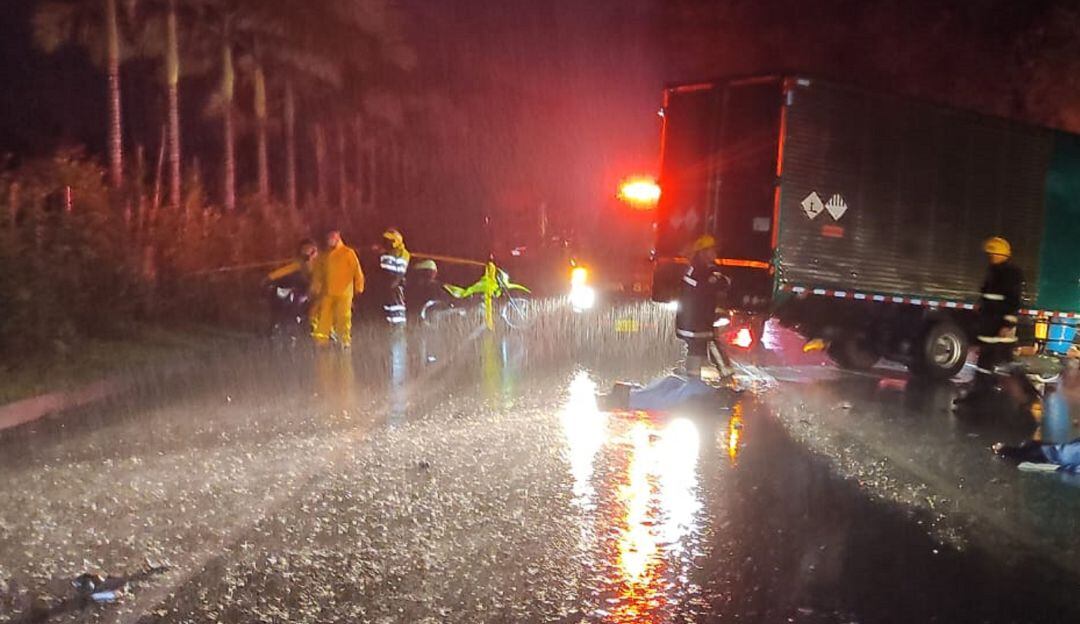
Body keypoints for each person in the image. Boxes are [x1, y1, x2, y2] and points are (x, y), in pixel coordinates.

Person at [966, 236, 1025, 398]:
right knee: (986, 361)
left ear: (1004, 255)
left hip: (1000, 328)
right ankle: (981, 390)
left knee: (1004, 362)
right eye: (989, 255)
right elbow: (988, 294)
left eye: (994, 254)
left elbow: (1013, 301)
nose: (991, 258)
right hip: (989, 325)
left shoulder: (1012, 274)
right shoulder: (992, 271)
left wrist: (1007, 324)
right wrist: (980, 304)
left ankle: (1016, 395)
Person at [676, 235, 730, 378]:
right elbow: (712, 286)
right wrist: (717, 280)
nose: (715, 253)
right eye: (712, 250)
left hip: (696, 320)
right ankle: (727, 377)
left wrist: (717, 279)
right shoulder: (698, 271)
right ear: (703, 252)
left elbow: (722, 283)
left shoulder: (704, 269)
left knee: (697, 350)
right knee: (707, 345)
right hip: (696, 322)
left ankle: (693, 381)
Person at [311, 229, 365, 347]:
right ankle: (322, 341)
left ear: (338, 236)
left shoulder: (348, 253)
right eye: (329, 236)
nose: (330, 239)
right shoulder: (324, 255)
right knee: (324, 317)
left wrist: (359, 287)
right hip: (328, 292)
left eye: (333, 236)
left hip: (344, 292)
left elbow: (357, 271)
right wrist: (316, 286)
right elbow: (318, 273)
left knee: (344, 317)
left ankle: (344, 340)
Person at [265, 239, 318, 337]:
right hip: (307, 290)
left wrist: (313, 291)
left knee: (318, 309)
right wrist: (269, 277)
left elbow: (321, 279)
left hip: (320, 291)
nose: (307, 255)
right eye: (304, 251)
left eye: (310, 251)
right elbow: (286, 270)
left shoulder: (320, 264)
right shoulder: (301, 263)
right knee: (295, 299)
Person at [379, 228, 410, 326]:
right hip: (386, 288)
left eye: (387, 241)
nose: (385, 243)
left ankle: (398, 332)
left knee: (396, 314)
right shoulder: (388, 252)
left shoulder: (401, 253)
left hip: (394, 288)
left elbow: (399, 274)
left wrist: (392, 285)